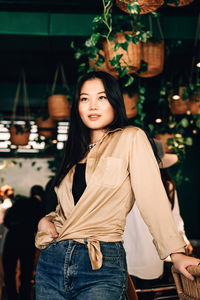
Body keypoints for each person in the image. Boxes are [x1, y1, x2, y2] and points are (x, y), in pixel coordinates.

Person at [35, 71, 200, 300]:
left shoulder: (131, 138)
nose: (93, 105)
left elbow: (152, 198)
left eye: (101, 97)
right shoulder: (75, 152)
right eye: (84, 98)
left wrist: (176, 252)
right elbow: (70, 209)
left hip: (101, 262)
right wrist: (47, 220)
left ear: (114, 101)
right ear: (77, 106)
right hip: (53, 261)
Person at [123, 139, 193, 291]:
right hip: (149, 252)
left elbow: (174, 218)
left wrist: (182, 241)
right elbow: (174, 219)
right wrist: (183, 241)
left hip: (131, 251)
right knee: (146, 292)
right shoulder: (167, 185)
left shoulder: (124, 181)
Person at [2, 185, 44, 300]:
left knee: (9, 270)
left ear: (31, 193)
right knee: (26, 272)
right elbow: (40, 228)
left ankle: (11, 296)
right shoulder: (40, 207)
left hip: (12, 236)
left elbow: (6, 220)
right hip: (27, 239)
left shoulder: (20, 201)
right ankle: (24, 296)